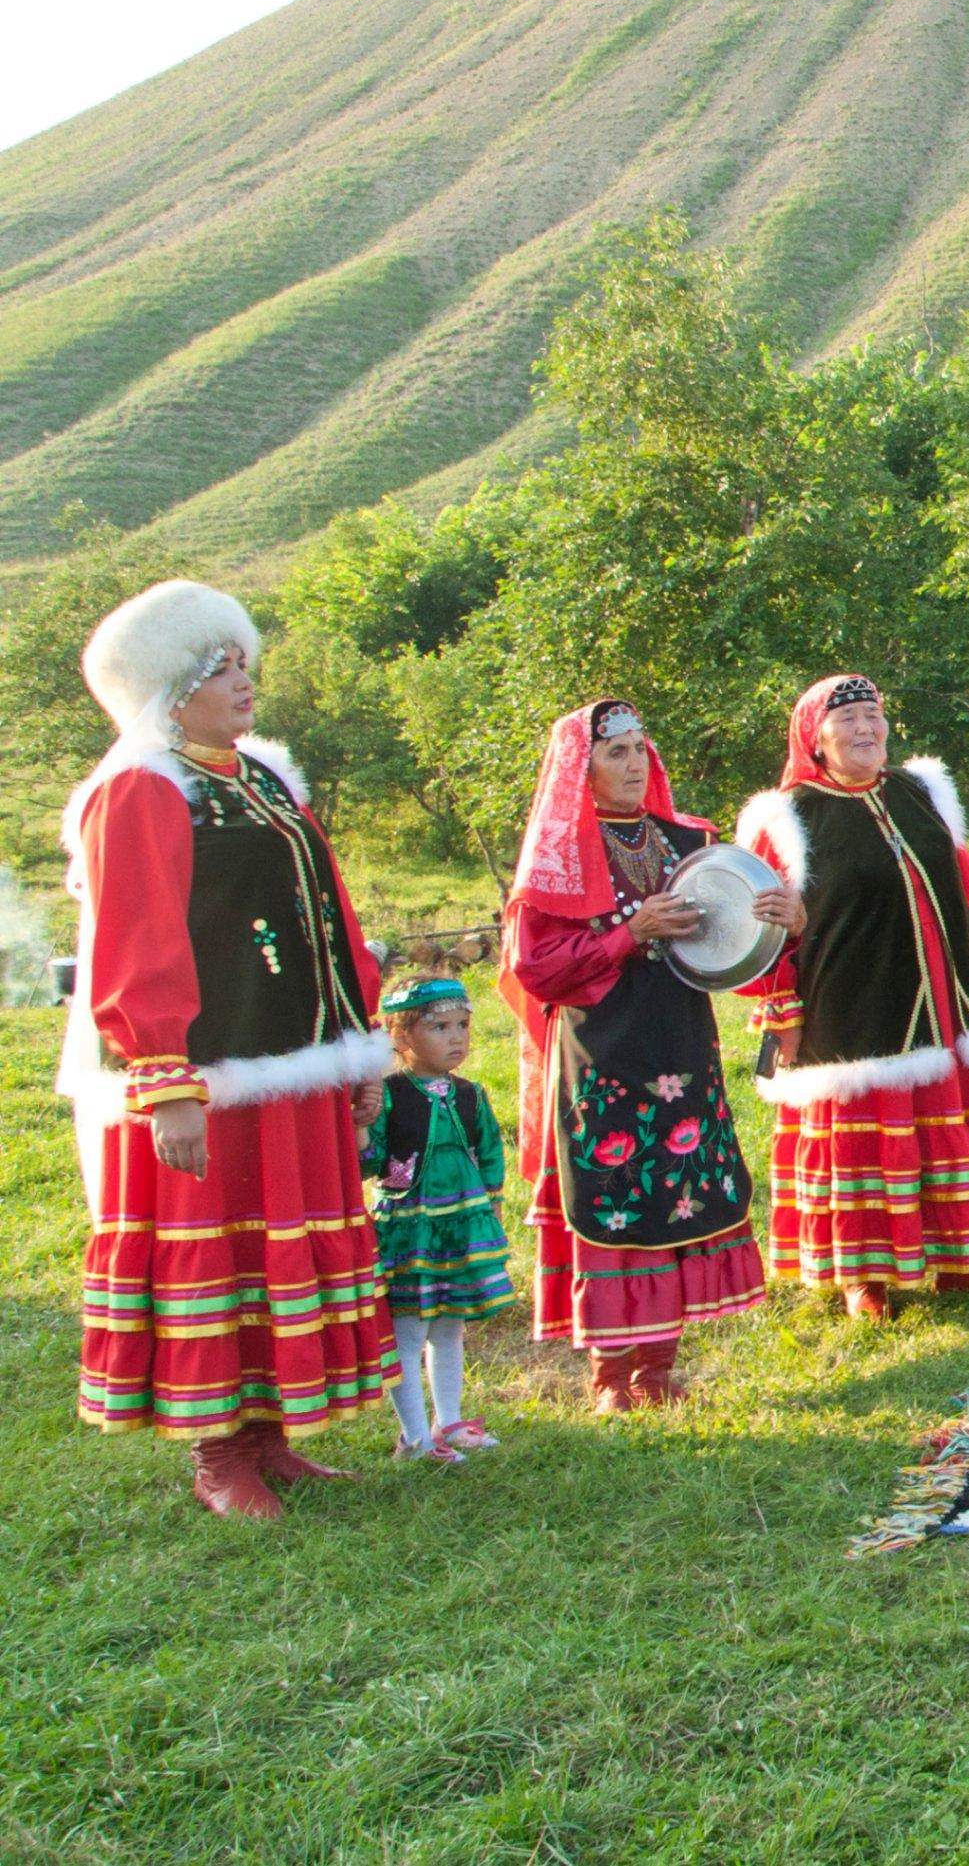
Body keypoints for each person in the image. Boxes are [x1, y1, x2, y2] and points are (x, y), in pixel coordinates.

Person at [58, 580, 395, 1519]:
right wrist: (164, 1080)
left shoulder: (263, 778)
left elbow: (330, 915)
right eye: (219, 666)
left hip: (291, 1056)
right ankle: (219, 1454)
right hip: (209, 1067)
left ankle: (270, 1437)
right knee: (222, 1250)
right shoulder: (142, 787)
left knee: (275, 1243)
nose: (244, 681)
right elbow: (137, 936)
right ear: (168, 688)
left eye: (244, 659)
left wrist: (356, 1042)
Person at [500, 699, 784, 1407]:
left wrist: (786, 922)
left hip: (682, 1040)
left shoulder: (689, 843)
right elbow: (537, 966)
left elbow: (732, 947)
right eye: (615, 752)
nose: (634, 763)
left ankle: (657, 1369)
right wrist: (629, 934)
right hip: (603, 1050)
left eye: (640, 748)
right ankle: (609, 1375)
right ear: (580, 769)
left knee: (677, 1189)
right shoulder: (561, 853)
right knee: (614, 1195)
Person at [736, 675, 969, 1319]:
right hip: (851, 1004)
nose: (866, 729)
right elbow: (758, 929)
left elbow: (963, 881)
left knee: (948, 1122)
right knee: (865, 1135)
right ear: (815, 737)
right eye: (849, 720)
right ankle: (862, 1276)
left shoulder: (919, 792)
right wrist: (779, 1006)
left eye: (875, 715)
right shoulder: (788, 817)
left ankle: (962, 1262)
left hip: (943, 996)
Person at [365, 977, 513, 1462]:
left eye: (464, 1026)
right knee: (408, 1331)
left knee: (449, 1327)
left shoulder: (470, 1094)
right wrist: (360, 1131)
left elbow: (489, 1151)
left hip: (463, 1227)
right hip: (412, 1229)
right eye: (440, 1027)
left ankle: (448, 1421)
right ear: (400, 1036)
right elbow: (372, 1162)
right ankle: (414, 1439)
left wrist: (491, 1203)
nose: (457, 1038)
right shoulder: (388, 1095)